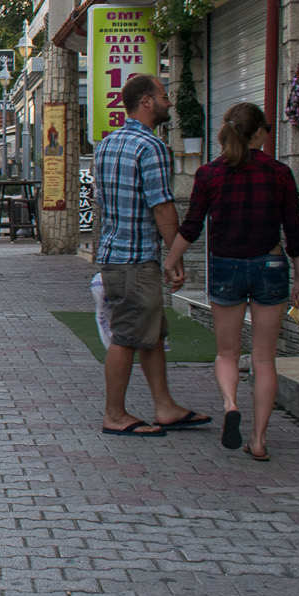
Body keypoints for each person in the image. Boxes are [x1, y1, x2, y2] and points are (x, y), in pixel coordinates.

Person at [163, 103, 299, 461]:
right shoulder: (279, 173)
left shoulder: (210, 174)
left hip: (226, 267)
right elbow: (294, 231)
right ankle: (258, 440)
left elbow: (192, 226)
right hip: (271, 266)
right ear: (259, 132)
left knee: (227, 352)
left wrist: (171, 261)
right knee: (263, 359)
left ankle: (231, 405)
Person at [93, 73, 209, 437]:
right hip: (136, 257)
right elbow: (162, 207)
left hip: (113, 252)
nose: (169, 101)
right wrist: (176, 257)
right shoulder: (151, 147)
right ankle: (114, 414)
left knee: (152, 332)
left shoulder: (107, 144)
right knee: (127, 335)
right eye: (163, 94)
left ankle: (165, 405)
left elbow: (101, 203)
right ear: (146, 100)